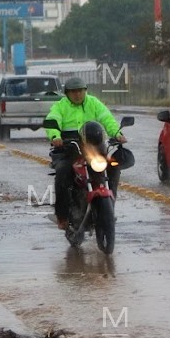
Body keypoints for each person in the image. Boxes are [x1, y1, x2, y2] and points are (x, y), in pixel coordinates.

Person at [45, 77, 127, 230]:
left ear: (85, 91)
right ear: (67, 93)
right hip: (70, 149)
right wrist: (55, 137)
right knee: (63, 171)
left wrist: (117, 134)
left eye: (80, 91)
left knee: (113, 167)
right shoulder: (60, 106)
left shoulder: (93, 102)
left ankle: (109, 206)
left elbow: (107, 118)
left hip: (94, 148)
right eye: (73, 92)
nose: (77, 94)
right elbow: (52, 121)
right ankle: (62, 216)